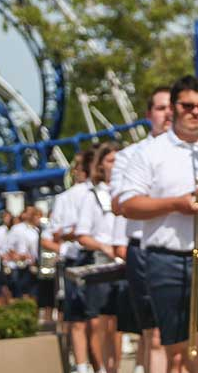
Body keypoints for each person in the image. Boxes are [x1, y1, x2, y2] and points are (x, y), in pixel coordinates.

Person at [114, 75, 198, 373]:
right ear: (174, 108)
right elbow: (129, 204)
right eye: (188, 106)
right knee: (172, 346)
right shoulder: (149, 151)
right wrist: (176, 204)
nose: (196, 113)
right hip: (166, 258)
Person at [111, 88, 172, 373]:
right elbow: (118, 203)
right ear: (149, 115)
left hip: (193, 246)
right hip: (147, 249)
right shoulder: (130, 155)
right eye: (161, 108)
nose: (168, 113)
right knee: (156, 336)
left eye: (173, 106)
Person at [44, 150, 95, 373]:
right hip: (77, 258)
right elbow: (50, 236)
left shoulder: (102, 193)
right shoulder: (68, 198)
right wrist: (66, 243)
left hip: (94, 257)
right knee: (81, 317)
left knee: (91, 318)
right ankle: (86, 365)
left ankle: (88, 365)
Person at [76, 143, 124, 373]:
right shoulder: (92, 196)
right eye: (110, 161)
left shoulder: (127, 191)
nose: (115, 166)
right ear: (101, 165)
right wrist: (105, 246)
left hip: (124, 261)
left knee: (119, 323)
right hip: (102, 263)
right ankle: (101, 368)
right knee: (100, 322)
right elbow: (82, 235)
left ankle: (116, 367)